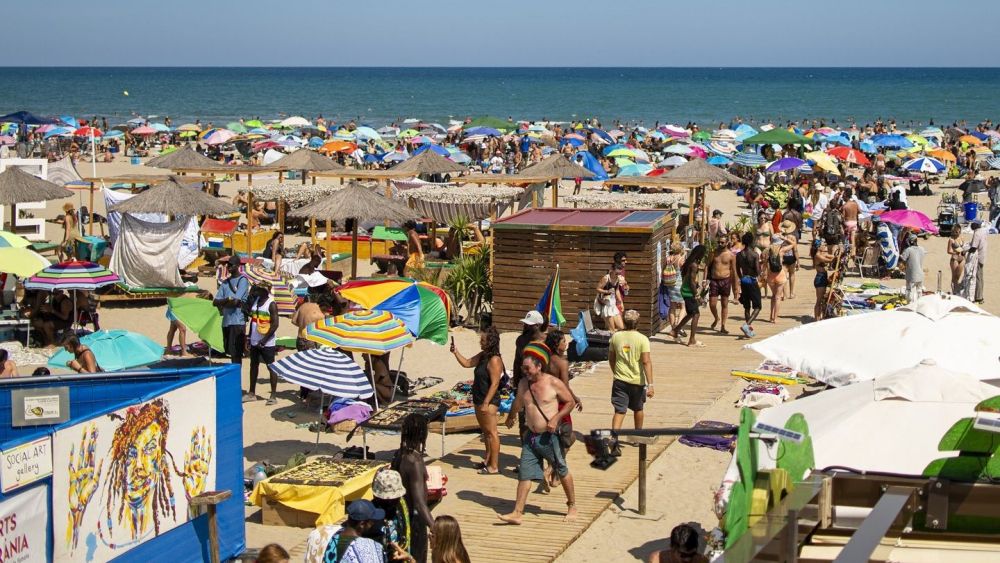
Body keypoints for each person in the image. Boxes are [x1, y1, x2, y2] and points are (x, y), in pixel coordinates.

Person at [500, 350, 578, 524]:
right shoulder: (522, 384)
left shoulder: (553, 383)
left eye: (528, 368)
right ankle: (517, 512)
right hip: (531, 437)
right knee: (524, 474)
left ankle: (572, 506)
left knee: (562, 470)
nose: (525, 371)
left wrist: (556, 418)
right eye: (523, 368)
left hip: (550, 437)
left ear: (538, 366)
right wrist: (511, 416)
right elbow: (519, 402)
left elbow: (570, 401)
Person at [450, 327, 503, 475]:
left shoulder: (495, 360)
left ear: (490, 341)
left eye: (483, 339)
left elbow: (495, 383)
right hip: (479, 398)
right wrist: (456, 352)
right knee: (486, 433)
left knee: (492, 433)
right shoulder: (483, 355)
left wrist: (486, 402)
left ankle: (494, 466)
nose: (481, 341)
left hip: (489, 401)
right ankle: (487, 460)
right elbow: (467, 363)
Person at [391, 414, 435, 563]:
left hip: (401, 517)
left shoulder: (399, 455)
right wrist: (435, 527)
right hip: (414, 521)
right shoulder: (414, 461)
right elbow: (419, 502)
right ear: (423, 434)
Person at [608, 310, 653, 432]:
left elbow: (611, 359)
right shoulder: (643, 339)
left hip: (620, 381)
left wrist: (616, 372)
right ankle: (637, 434)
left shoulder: (616, 337)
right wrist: (650, 385)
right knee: (638, 409)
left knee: (619, 410)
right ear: (638, 323)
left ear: (624, 322)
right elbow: (646, 362)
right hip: (637, 381)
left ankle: (614, 437)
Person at [319, 500, 388, 563]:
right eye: (371, 522)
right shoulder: (371, 547)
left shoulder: (330, 539)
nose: (373, 524)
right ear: (362, 524)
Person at [247, 282, 279, 404]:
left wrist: (264, 340)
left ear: (265, 291)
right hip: (255, 340)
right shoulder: (256, 301)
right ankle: (251, 393)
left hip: (267, 342)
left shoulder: (271, 304)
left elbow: (275, 324)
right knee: (253, 365)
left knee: (271, 367)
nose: (256, 291)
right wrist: (249, 337)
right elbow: (253, 321)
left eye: (258, 289)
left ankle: (273, 396)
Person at [214, 260, 249, 368]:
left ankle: (236, 379)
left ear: (237, 266)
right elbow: (215, 302)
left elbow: (236, 302)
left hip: (238, 321)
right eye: (227, 265)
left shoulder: (242, 281)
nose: (228, 267)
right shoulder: (225, 283)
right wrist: (228, 300)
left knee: (237, 353)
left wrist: (224, 302)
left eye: (231, 265)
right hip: (227, 322)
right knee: (230, 352)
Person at [371, 469, 412, 561]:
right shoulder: (370, 516)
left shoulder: (401, 504)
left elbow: (406, 532)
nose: (391, 503)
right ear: (376, 497)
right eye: (386, 500)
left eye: (394, 499)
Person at [670, 245, 707, 347]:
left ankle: (675, 330)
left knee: (691, 313)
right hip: (688, 292)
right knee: (696, 314)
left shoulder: (689, 262)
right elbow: (691, 282)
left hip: (685, 290)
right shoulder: (694, 265)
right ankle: (692, 340)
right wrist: (697, 296)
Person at [707, 236, 738, 335]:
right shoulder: (713, 253)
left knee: (724, 304)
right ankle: (716, 318)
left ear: (727, 243)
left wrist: (736, 289)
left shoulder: (731, 255)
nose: (720, 244)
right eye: (719, 242)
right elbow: (707, 266)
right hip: (714, 280)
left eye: (722, 242)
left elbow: (734, 271)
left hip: (726, 280)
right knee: (712, 304)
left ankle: (723, 326)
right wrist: (704, 280)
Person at [735, 232, 762, 337]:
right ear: (751, 241)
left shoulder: (739, 254)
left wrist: (741, 277)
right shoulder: (754, 255)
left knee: (747, 307)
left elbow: (737, 269)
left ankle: (748, 332)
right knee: (757, 306)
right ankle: (747, 325)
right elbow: (757, 270)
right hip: (752, 281)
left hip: (744, 281)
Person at [763, 237, 793, 323]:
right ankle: (775, 318)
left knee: (773, 296)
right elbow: (793, 244)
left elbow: (764, 265)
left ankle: (771, 316)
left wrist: (763, 273)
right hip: (780, 275)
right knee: (778, 297)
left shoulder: (767, 251)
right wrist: (785, 238)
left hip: (771, 276)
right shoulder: (782, 250)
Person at [813, 235, 842, 321]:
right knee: (819, 300)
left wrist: (839, 252)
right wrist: (836, 256)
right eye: (824, 249)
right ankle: (816, 319)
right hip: (819, 278)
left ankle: (820, 317)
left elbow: (832, 256)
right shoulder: (817, 256)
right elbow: (829, 260)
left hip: (823, 277)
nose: (826, 251)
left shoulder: (822, 254)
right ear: (819, 249)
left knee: (823, 300)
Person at [595, 265, 626, 332]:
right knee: (612, 329)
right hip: (606, 305)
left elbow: (617, 290)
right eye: (616, 273)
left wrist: (621, 302)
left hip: (613, 304)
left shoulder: (617, 278)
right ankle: (611, 340)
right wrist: (607, 291)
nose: (617, 275)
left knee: (621, 327)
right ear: (612, 270)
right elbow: (597, 288)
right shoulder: (606, 278)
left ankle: (613, 337)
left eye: (619, 273)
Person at [899, 233, 927, 303]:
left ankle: (910, 305)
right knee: (919, 291)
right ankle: (919, 304)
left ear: (910, 242)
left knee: (910, 290)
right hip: (920, 274)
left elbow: (903, 259)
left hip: (911, 275)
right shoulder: (922, 249)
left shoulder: (908, 250)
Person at [968, 220, 988, 303]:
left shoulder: (977, 233)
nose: (971, 225)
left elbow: (973, 248)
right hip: (983, 256)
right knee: (980, 277)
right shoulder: (983, 231)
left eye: (973, 224)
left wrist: (964, 251)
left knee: (977, 277)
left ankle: (979, 297)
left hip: (978, 257)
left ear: (976, 225)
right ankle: (979, 296)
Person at [947, 225, 966, 295]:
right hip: (955, 258)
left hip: (962, 258)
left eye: (959, 231)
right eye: (957, 232)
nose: (958, 233)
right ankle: (954, 291)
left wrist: (964, 251)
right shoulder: (951, 240)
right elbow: (948, 251)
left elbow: (964, 247)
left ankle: (956, 290)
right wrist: (955, 252)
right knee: (954, 276)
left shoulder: (962, 238)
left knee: (958, 276)